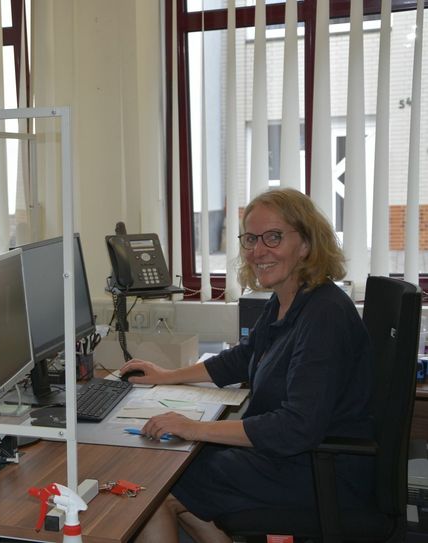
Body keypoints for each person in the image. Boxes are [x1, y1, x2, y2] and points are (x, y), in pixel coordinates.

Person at [122, 188, 374, 543]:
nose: (259, 251)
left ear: (305, 244)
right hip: (289, 459)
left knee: (152, 492)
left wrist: (194, 428)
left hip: (318, 473)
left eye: (274, 237)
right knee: (173, 477)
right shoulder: (288, 297)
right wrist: (166, 376)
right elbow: (243, 358)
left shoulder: (324, 315)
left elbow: (296, 427)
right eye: (251, 239)